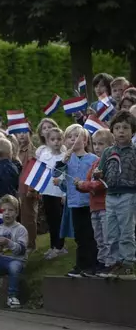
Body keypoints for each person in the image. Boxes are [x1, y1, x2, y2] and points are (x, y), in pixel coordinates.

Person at [53, 125, 98, 277]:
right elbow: (55, 173)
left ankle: (93, 266)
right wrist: (63, 162)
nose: (73, 139)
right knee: (79, 236)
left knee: (91, 235)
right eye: (70, 136)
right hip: (74, 203)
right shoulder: (66, 159)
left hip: (90, 202)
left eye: (77, 136)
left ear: (85, 141)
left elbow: (97, 178)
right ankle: (81, 265)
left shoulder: (93, 159)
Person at [95, 111, 136, 279]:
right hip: (110, 196)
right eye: (117, 128)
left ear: (132, 131)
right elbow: (101, 171)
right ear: (112, 131)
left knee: (126, 231)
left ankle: (128, 262)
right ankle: (115, 262)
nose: (121, 131)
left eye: (125, 128)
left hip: (128, 195)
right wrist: (98, 174)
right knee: (111, 232)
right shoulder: (107, 152)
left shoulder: (134, 152)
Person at [76, 129, 114, 274]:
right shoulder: (95, 163)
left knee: (107, 236)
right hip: (94, 206)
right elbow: (89, 179)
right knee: (98, 237)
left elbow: (100, 183)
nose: (97, 147)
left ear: (110, 145)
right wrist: (79, 185)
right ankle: (102, 262)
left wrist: (84, 185)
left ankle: (110, 263)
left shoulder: (109, 162)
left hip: (105, 206)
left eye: (101, 144)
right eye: (95, 144)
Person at [0, 194, 28, 309]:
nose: (7, 213)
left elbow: (21, 250)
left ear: (16, 213)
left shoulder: (21, 230)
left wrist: (9, 243)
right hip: (1, 261)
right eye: (4, 210)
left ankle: (12, 296)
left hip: (16, 260)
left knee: (14, 267)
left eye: (11, 210)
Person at [36, 127, 67, 260]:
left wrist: (65, 194)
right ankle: (53, 245)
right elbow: (40, 174)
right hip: (47, 192)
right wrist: (39, 190)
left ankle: (60, 246)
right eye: (52, 139)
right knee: (50, 220)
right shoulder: (44, 156)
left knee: (58, 220)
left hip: (59, 193)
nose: (56, 142)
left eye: (59, 139)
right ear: (47, 141)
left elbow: (65, 176)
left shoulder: (64, 157)